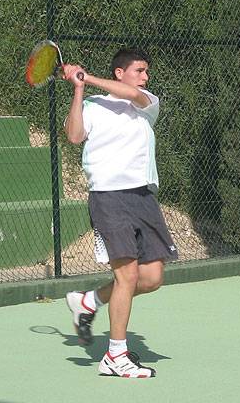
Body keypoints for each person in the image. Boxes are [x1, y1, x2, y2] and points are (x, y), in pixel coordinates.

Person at [62, 47, 178, 378]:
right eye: (139, 71)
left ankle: (89, 301)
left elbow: (131, 95)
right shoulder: (93, 106)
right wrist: (79, 89)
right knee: (126, 277)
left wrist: (88, 76)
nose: (145, 77)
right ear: (120, 72)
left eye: (146, 71)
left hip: (144, 196)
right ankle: (115, 356)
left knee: (152, 278)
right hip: (108, 198)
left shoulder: (145, 104)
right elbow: (73, 136)